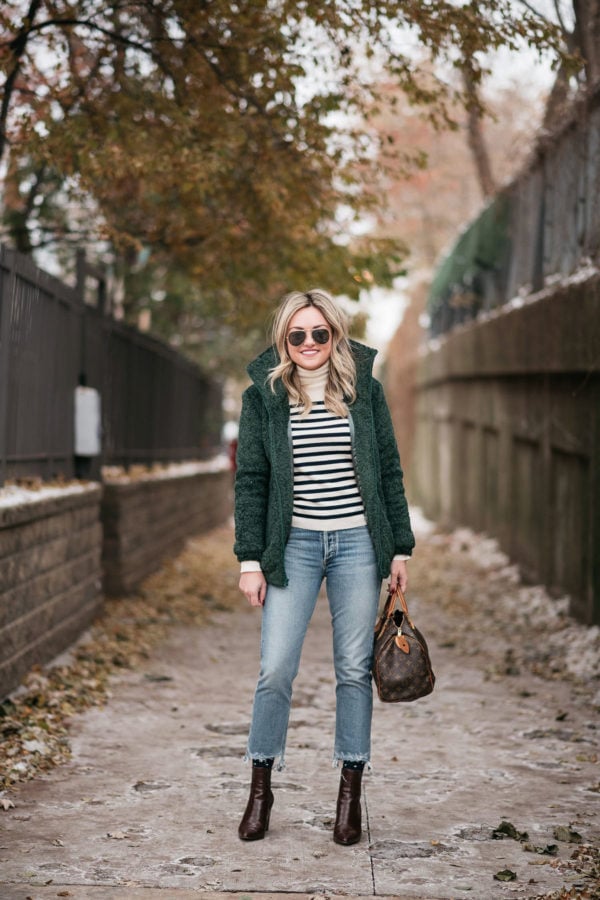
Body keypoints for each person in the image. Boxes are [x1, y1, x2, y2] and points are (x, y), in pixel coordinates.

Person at [234, 288, 415, 845]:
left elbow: (388, 470)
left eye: (320, 333)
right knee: (275, 669)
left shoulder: (366, 392)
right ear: (283, 340)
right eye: (298, 335)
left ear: (335, 335)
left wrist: (400, 547)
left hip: (359, 543)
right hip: (292, 547)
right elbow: (252, 481)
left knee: (353, 670)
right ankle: (260, 788)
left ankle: (350, 792)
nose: (309, 343)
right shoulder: (262, 398)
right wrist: (248, 558)